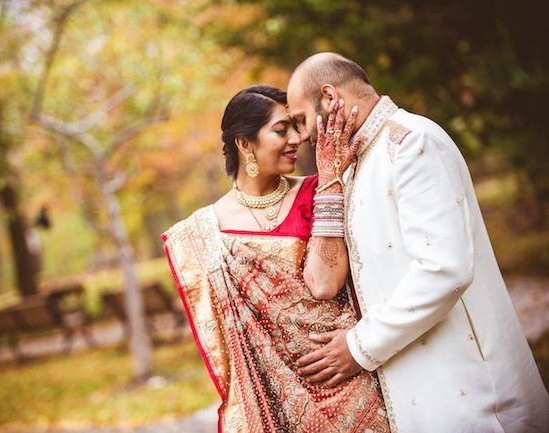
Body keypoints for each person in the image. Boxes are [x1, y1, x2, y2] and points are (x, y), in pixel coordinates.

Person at [286, 52, 549, 433]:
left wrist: (359, 347)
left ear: (329, 98)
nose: (302, 135)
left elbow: (444, 270)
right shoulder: (358, 162)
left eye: (300, 120)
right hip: (421, 390)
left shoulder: (411, 142)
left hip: (472, 396)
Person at [160, 85, 391, 432]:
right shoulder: (206, 233)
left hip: (353, 381)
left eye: (296, 127)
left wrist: (330, 181)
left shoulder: (321, 189)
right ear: (244, 143)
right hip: (274, 403)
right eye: (281, 130)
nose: (297, 138)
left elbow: (327, 284)